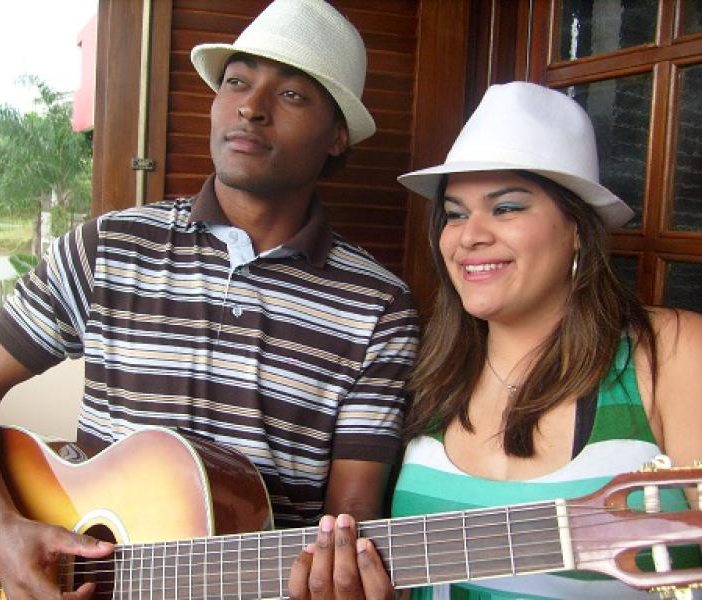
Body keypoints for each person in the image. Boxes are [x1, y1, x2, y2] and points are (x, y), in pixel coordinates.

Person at [0, 1, 419, 598]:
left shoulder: (379, 306)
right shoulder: (107, 247)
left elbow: (350, 522)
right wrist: (1, 530)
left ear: (337, 135)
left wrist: (345, 579)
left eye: (292, 95)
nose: (251, 107)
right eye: (236, 82)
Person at [288, 81, 702, 600]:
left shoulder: (672, 352)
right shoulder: (427, 372)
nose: (469, 235)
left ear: (578, 227)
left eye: (505, 208)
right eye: (455, 214)